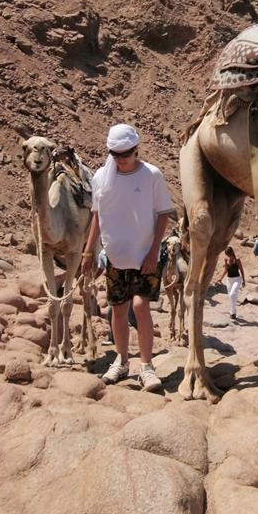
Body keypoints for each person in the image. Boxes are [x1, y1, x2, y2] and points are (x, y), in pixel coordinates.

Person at [81, 124, 176, 391]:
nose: (121, 159)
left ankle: (146, 366)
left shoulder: (151, 175)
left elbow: (163, 213)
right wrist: (89, 251)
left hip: (146, 254)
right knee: (119, 308)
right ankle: (121, 362)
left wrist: (155, 250)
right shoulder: (101, 177)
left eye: (126, 153)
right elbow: (97, 216)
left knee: (139, 306)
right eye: (115, 154)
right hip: (115, 254)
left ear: (136, 149)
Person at [217, 245, 246, 321]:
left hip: (237, 279)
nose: (229, 256)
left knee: (233, 294)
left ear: (232, 252)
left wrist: (243, 281)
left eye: (229, 254)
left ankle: (232, 313)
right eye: (227, 254)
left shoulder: (237, 260)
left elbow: (242, 270)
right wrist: (220, 278)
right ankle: (233, 312)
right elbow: (226, 270)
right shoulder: (226, 260)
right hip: (229, 280)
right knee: (231, 297)